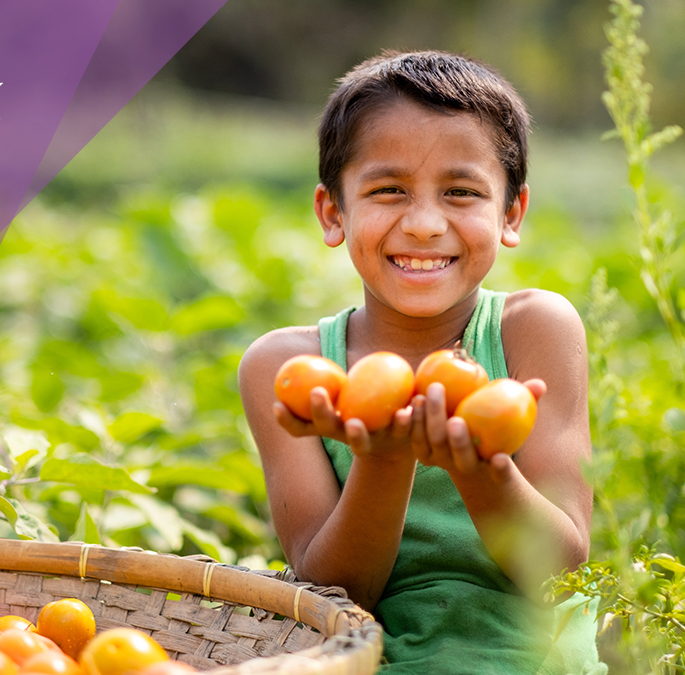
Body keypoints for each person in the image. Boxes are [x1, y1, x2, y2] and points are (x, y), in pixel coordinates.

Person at [237, 50, 603, 674]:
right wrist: (384, 455)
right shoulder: (287, 367)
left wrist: (479, 465)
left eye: (461, 192)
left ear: (511, 213)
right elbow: (335, 593)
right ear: (333, 212)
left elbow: (559, 566)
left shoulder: (533, 330)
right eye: (388, 190)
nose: (426, 224)